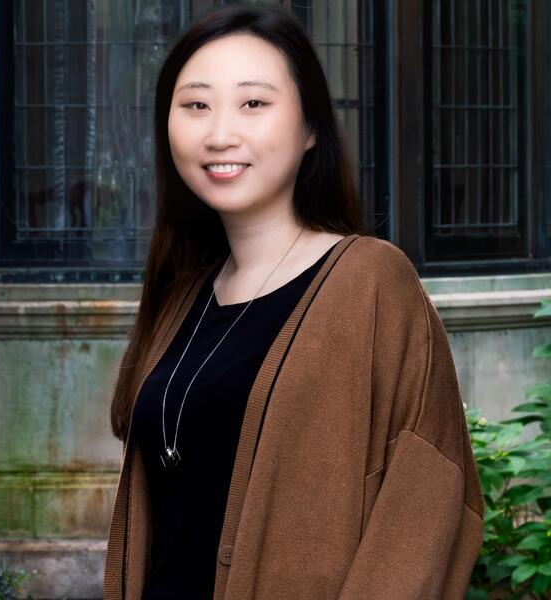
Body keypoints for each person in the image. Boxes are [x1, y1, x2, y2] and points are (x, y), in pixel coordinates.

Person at [103, 5, 484, 600]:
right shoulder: (183, 297)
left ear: (311, 129)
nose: (220, 132)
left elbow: (427, 503)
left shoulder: (371, 282)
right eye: (196, 104)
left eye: (253, 103)